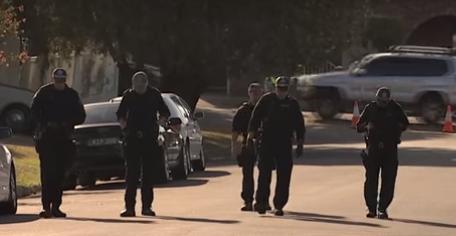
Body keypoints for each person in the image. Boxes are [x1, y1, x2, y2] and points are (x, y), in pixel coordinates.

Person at [31, 68, 86, 218]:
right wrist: (45, 124)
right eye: (57, 80)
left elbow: (81, 116)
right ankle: (46, 207)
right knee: (47, 173)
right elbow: (34, 112)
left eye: (61, 80)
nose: (59, 83)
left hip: (64, 138)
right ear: (53, 79)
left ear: (65, 80)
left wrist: (67, 123)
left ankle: (56, 206)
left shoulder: (71, 95)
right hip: (47, 138)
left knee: (60, 175)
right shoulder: (43, 93)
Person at [248, 76, 305, 216]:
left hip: (284, 143)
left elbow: (299, 124)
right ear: (275, 88)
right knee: (264, 173)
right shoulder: (267, 100)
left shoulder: (292, 104)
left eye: (284, 89)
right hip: (267, 141)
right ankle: (261, 202)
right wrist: (251, 136)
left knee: (284, 175)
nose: (282, 91)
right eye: (280, 88)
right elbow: (255, 118)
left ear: (288, 89)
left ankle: (279, 205)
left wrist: (300, 143)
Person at [117, 71, 170, 217]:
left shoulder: (154, 95)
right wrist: (124, 127)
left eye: (142, 83)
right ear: (133, 84)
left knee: (148, 175)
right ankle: (129, 208)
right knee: (131, 175)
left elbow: (165, 112)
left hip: (149, 138)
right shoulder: (129, 95)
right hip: (132, 138)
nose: (139, 86)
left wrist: (161, 122)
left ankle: (147, 206)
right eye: (136, 83)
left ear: (146, 83)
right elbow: (120, 114)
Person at [357, 87, 409, 219]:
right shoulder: (371, 108)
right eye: (380, 100)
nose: (382, 103)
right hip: (373, 148)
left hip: (390, 149)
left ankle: (382, 208)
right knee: (371, 180)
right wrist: (367, 126)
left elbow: (405, 123)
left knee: (389, 180)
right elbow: (359, 126)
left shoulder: (395, 108)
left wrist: (396, 127)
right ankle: (371, 208)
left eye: (385, 101)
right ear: (376, 99)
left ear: (389, 100)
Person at [231, 82, 264, 211]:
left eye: (257, 92)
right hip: (248, 145)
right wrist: (236, 147)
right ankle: (248, 201)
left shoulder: (266, 108)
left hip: (264, 144)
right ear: (248, 93)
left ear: (262, 93)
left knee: (264, 174)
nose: (254, 95)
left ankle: (262, 200)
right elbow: (236, 131)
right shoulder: (243, 111)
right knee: (247, 174)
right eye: (252, 92)